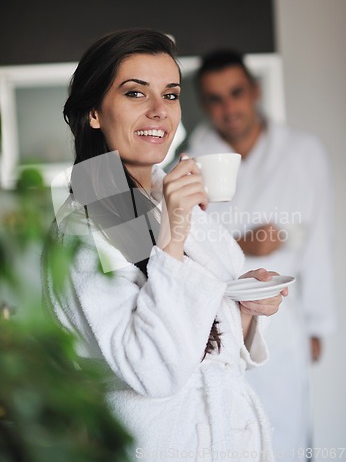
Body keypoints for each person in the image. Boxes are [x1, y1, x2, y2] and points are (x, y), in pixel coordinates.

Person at [42, 30, 289, 462]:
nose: (159, 111)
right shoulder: (86, 223)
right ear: (94, 113)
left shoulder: (165, 197)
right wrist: (174, 231)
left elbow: (213, 339)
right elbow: (154, 370)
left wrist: (245, 306)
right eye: (136, 93)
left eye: (171, 95)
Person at [184, 49, 336, 459]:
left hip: (285, 321)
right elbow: (181, 244)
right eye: (215, 99)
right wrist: (242, 244)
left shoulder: (303, 152)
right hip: (217, 322)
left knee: (286, 432)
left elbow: (318, 239)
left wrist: (318, 323)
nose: (228, 108)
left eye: (236, 93)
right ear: (203, 104)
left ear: (254, 90)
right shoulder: (190, 157)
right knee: (226, 436)